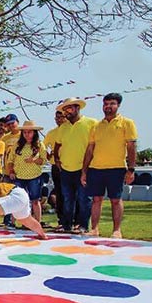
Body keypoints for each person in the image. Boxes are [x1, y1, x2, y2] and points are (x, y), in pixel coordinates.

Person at [81, 93, 137, 239]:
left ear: (118, 105)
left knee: (115, 199)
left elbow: (131, 147)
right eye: (106, 104)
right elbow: (90, 150)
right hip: (96, 168)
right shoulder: (96, 126)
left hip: (117, 168)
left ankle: (116, 230)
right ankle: (94, 229)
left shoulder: (127, 123)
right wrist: (84, 171)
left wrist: (131, 169)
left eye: (112, 104)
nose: (108, 107)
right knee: (96, 199)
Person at [54, 97, 98, 233]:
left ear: (77, 108)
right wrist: (56, 159)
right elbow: (57, 144)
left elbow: (95, 145)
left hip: (85, 168)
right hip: (66, 168)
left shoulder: (91, 123)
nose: (67, 111)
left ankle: (82, 225)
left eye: (69, 108)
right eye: (65, 109)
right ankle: (66, 224)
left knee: (84, 199)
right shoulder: (63, 127)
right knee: (68, 199)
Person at [7, 120, 47, 223]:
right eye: (24, 132)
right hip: (19, 176)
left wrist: (33, 160)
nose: (27, 134)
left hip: (34, 176)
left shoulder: (40, 145)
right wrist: (11, 171)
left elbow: (43, 160)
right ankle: (13, 222)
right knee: (16, 200)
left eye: (29, 132)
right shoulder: (17, 145)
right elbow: (10, 160)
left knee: (35, 200)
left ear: (34, 132)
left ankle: (37, 222)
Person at [44, 110, 67, 229]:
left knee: (71, 194)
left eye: (61, 117)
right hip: (55, 166)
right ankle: (61, 220)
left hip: (70, 166)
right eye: (56, 117)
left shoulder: (70, 129)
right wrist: (49, 155)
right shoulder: (51, 133)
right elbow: (43, 149)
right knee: (59, 194)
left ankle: (74, 220)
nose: (58, 119)